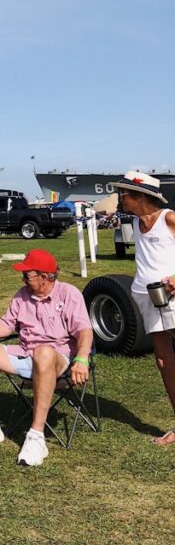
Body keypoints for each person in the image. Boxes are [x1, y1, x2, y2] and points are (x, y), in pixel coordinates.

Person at [0, 248, 93, 467]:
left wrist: (82, 359)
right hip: (24, 353)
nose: (23, 279)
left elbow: (85, 331)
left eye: (27, 275)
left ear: (45, 277)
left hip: (58, 358)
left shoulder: (69, 294)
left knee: (43, 352)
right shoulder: (22, 295)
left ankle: (37, 436)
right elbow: (5, 326)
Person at [110, 170, 175, 446]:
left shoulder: (169, 218)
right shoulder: (137, 223)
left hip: (173, 295)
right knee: (163, 359)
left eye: (123, 195)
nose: (120, 199)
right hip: (148, 298)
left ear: (140, 196)